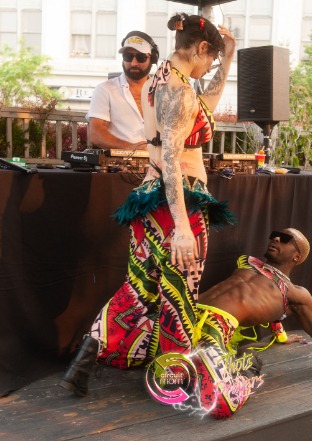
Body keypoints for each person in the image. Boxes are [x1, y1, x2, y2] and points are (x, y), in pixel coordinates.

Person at [60, 13, 236, 396]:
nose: (210, 67)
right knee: (179, 291)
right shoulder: (179, 91)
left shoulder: (159, 82)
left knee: (138, 288)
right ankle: (172, 378)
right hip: (179, 202)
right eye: (211, 58)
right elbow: (171, 157)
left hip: (148, 201)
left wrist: (229, 57)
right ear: (201, 47)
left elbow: (204, 106)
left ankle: (85, 357)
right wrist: (183, 226)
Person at [187, 228, 312, 418]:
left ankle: (241, 371)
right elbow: (268, 308)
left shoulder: (295, 293)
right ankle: (195, 369)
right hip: (185, 314)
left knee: (222, 403)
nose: (276, 239)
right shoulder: (246, 262)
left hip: (215, 327)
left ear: (297, 256)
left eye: (286, 239)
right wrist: (281, 335)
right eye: (275, 235)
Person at [85, 30, 159, 150]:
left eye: (141, 57)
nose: (133, 63)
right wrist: (131, 148)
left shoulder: (162, 92)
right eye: (128, 56)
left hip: (158, 160)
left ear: (153, 59)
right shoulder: (105, 90)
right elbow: (96, 135)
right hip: (120, 161)